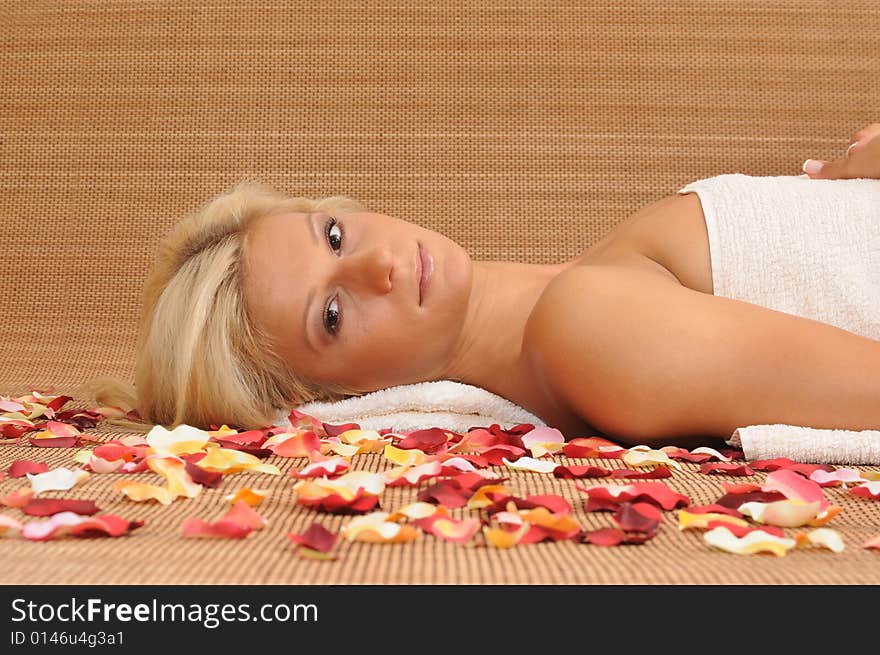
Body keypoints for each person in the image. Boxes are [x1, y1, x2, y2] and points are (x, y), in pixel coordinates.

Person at [79, 124, 880, 445]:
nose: (377, 264)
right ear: (333, 399)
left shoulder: (588, 285)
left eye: (333, 234)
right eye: (331, 313)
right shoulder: (589, 329)